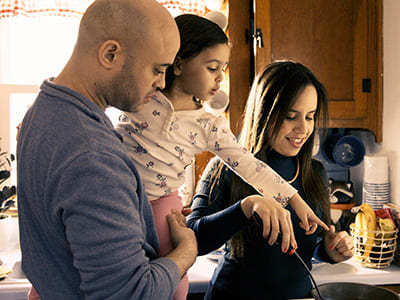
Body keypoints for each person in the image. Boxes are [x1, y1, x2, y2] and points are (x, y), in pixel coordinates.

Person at [115, 15, 330, 299]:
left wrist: (294, 200)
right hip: (120, 195)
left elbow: (252, 168)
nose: (220, 77)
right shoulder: (143, 96)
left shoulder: (209, 125)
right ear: (177, 64)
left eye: (223, 69)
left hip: (162, 205)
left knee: (170, 282)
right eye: (213, 67)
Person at [16, 0, 198, 299]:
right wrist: (186, 251)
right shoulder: (94, 158)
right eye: (157, 69)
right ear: (110, 54)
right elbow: (131, 293)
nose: (162, 83)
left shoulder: (41, 111)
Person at [187, 61, 355, 299]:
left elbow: (310, 247)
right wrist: (247, 207)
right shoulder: (225, 168)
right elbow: (193, 238)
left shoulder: (315, 172)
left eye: (310, 116)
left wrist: (330, 250)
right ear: (264, 113)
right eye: (290, 116)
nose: (303, 128)